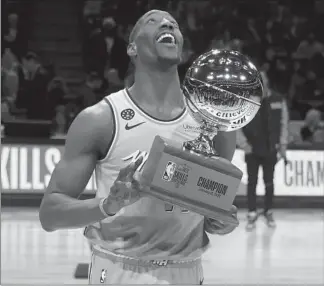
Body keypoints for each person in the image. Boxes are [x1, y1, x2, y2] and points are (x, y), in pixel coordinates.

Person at [39, 10, 238, 284]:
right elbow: (50, 214)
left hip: (188, 271)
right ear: (132, 48)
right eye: (152, 21)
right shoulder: (101, 120)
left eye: (174, 24)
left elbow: (213, 213)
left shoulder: (213, 123)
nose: (167, 23)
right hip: (120, 271)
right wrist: (108, 206)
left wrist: (220, 219)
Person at [237, 73, 289, 231]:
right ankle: (252, 212)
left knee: (269, 182)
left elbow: (283, 124)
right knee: (252, 183)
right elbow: (237, 123)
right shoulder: (246, 100)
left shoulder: (279, 100)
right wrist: (244, 144)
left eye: (263, 80)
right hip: (252, 149)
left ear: (267, 82)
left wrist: (283, 146)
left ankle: (268, 211)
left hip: (270, 148)